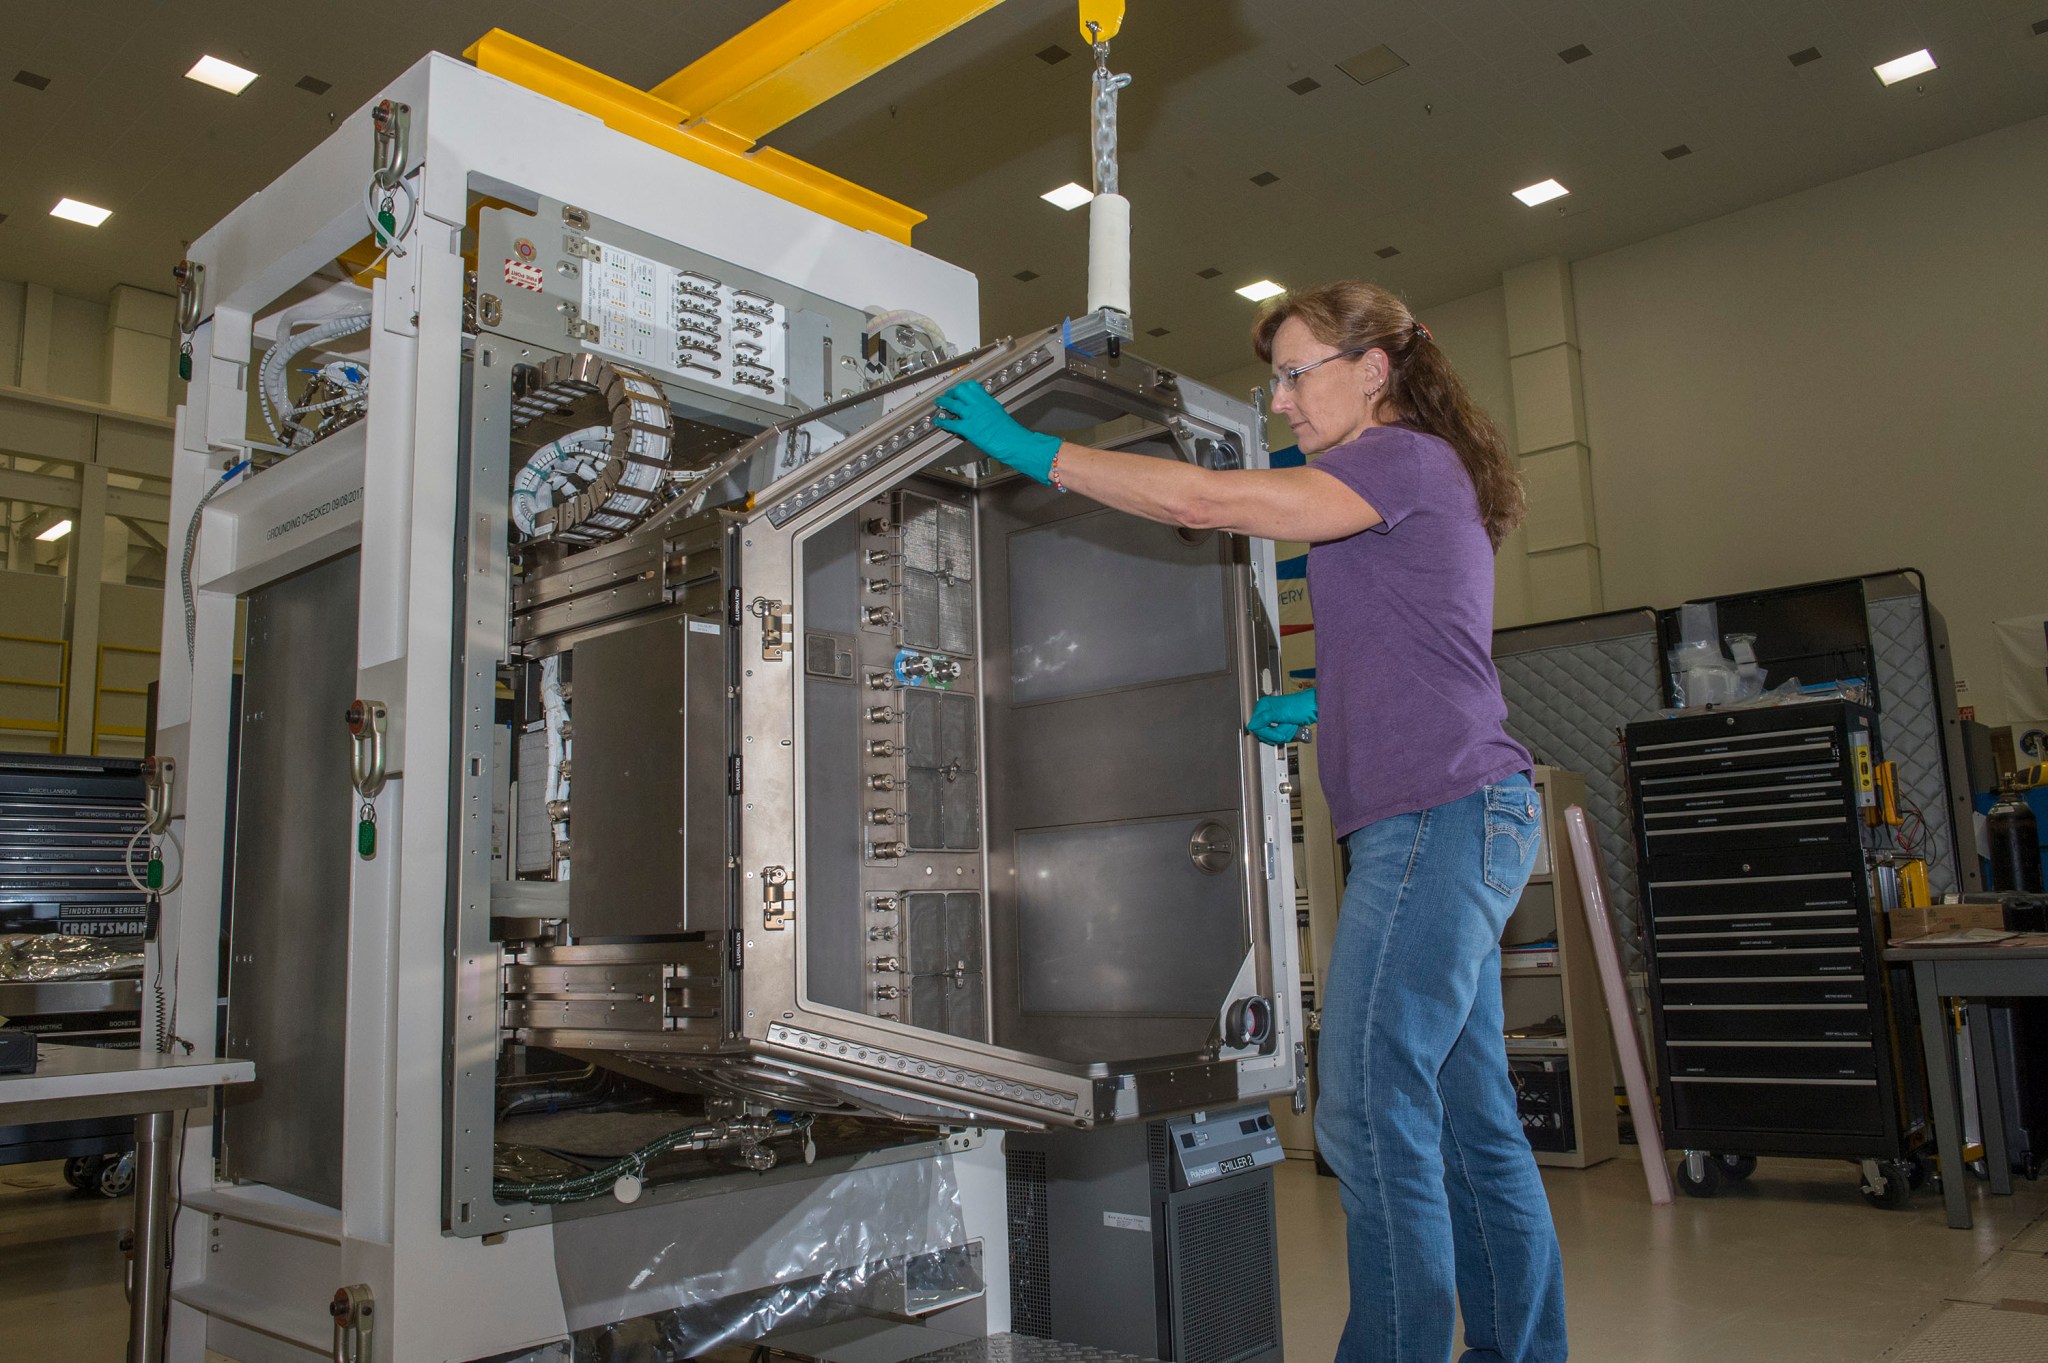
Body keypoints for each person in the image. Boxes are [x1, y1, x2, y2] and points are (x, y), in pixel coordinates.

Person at [933, 279, 1564, 1363]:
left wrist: (1030, 450)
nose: (1277, 402)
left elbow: (1203, 505)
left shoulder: (1396, 460)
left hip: (1437, 820)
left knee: (1365, 1114)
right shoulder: (1410, 478)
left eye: (1292, 373)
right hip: (1459, 811)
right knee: (1466, 1124)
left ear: (1373, 369)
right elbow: (1432, 640)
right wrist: (1325, 701)